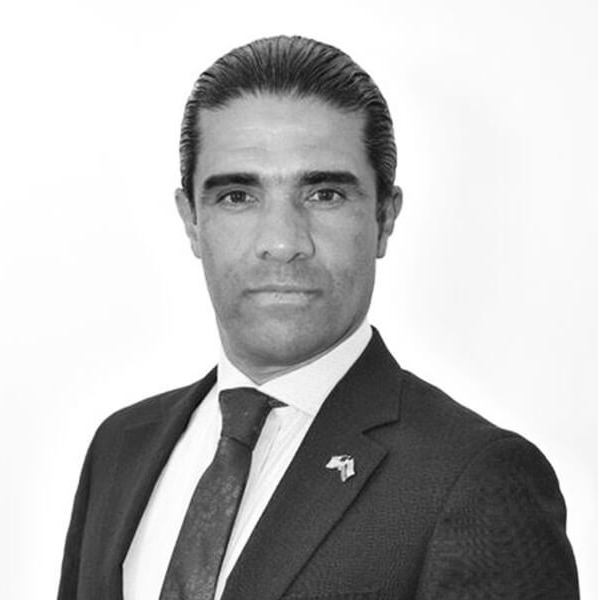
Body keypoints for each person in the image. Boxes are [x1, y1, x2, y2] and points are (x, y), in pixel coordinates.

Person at [57, 35, 579, 600]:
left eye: (325, 194)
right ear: (191, 222)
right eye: (237, 196)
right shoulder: (120, 448)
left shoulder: (475, 479)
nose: (283, 243)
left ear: (384, 218)